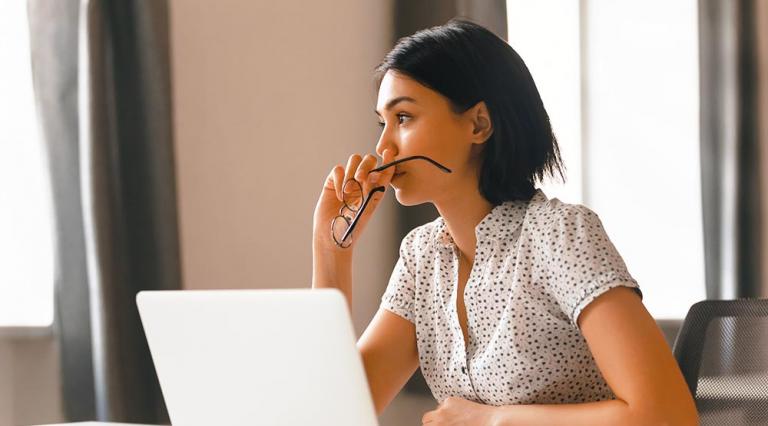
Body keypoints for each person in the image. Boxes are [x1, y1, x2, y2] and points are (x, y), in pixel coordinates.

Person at [312, 18, 698, 426]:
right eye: (382, 123)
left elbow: (668, 415)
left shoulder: (560, 235)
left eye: (404, 118)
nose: (382, 146)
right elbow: (331, 413)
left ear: (479, 124)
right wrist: (330, 250)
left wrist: (493, 420)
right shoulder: (421, 258)